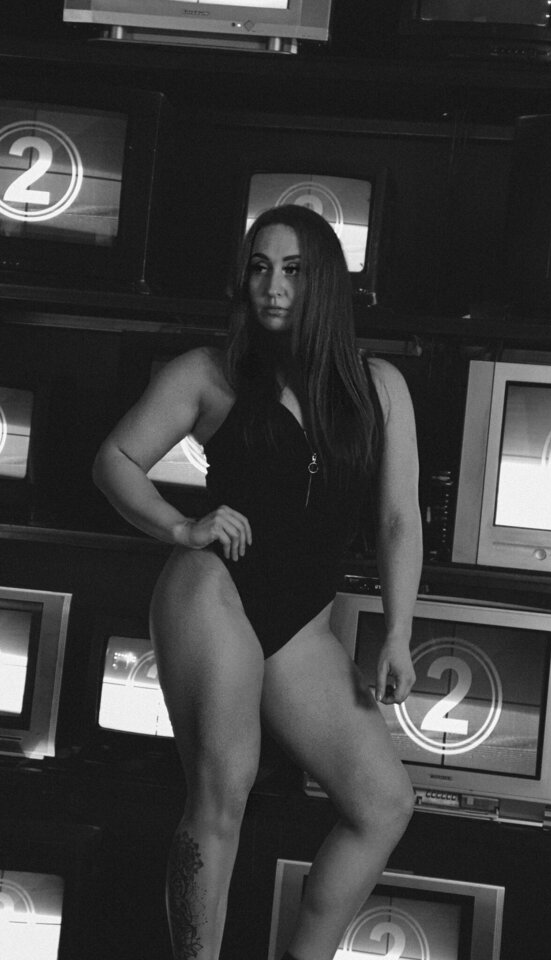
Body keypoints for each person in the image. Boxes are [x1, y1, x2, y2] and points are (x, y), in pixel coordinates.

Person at [92, 204, 423, 960]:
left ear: (325, 282)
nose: (273, 286)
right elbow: (114, 459)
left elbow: (399, 519)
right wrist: (181, 527)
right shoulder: (209, 373)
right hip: (214, 591)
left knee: (383, 804)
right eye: (260, 268)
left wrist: (400, 632)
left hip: (302, 622)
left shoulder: (379, 387)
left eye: (293, 271)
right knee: (223, 792)